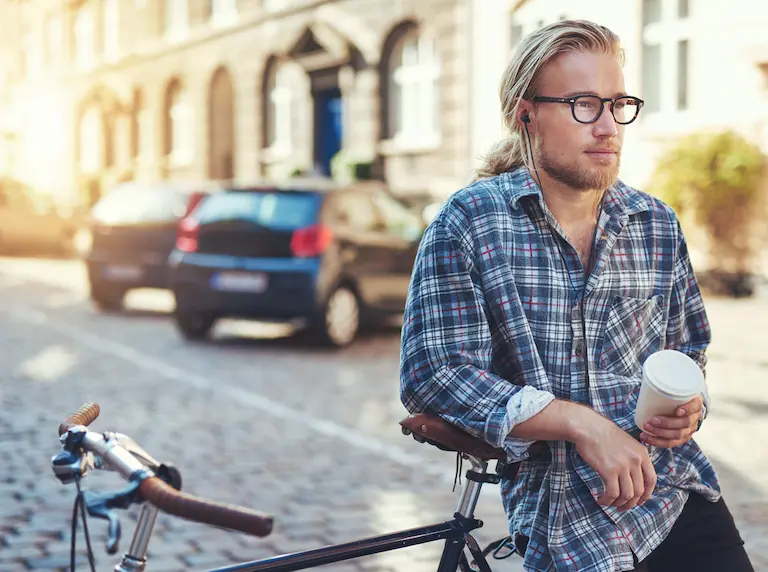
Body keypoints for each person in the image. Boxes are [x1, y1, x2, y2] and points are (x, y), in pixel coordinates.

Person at [399, 19, 754, 572]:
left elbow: (689, 350)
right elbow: (433, 373)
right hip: (566, 525)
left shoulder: (655, 224)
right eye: (584, 104)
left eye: (618, 104)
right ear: (526, 112)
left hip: (673, 499)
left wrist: (687, 410)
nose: (608, 126)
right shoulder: (469, 223)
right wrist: (579, 423)